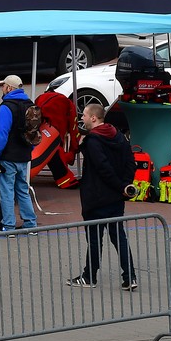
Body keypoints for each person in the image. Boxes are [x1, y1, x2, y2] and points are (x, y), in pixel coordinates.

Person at [66, 103, 138, 290]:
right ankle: (130, 276)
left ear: (93, 118)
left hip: (97, 198)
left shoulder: (93, 141)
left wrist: (120, 186)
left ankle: (90, 276)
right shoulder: (119, 136)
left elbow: (103, 168)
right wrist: (125, 186)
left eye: (84, 115)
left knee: (94, 239)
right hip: (116, 198)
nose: (81, 118)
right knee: (119, 237)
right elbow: (131, 162)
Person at [0, 75, 38, 235]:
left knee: (7, 192)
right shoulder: (30, 105)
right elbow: (34, 132)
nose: (2, 89)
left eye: (3, 86)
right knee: (22, 190)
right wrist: (29, 149)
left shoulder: (6, 107)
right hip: (24, 155)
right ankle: (31, 224)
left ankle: (8, 226)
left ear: (9, 88)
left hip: (8, 156)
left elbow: (1, 134)